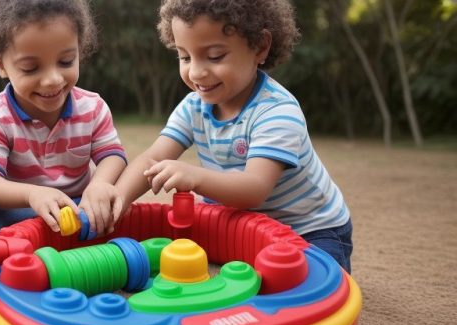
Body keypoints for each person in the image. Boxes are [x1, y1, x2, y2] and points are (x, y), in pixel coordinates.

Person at [115, 0, 353, 272]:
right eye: (184, 57)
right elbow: (152, 158)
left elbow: (254, 189)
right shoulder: (194, 107)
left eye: (215, 56)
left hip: (308, 230)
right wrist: (119, 198)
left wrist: (195, 176)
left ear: (260, 47)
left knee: (302, 284)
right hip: (238, 224)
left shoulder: (276, 111)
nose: (195, 72)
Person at [0, 0, 128, 244]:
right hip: (22, 208)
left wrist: (100, 185)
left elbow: (112, 155)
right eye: (31, 68)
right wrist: (33, 195)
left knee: (113, 213)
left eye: (65, 62)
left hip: (79, 204)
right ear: (0, 64)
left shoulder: (93, 107)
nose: (52, 79)